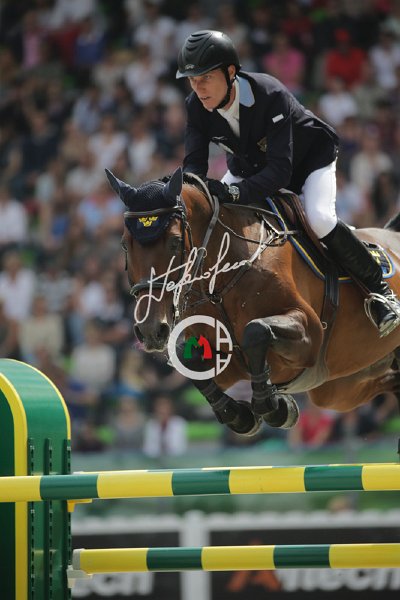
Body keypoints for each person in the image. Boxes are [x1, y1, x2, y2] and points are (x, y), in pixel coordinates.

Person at [176, 30, 400, 337]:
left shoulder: (269, 94)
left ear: (230, 72)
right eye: (192, 80)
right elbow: (194, 166)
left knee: (320, 220)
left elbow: (280, 172)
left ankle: (380, 293)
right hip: (250, 167)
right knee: (211, 217)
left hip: (308, 163)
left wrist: (234, 191)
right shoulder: (195, 105)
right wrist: (188, 195)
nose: (198, 88)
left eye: (205, 78)